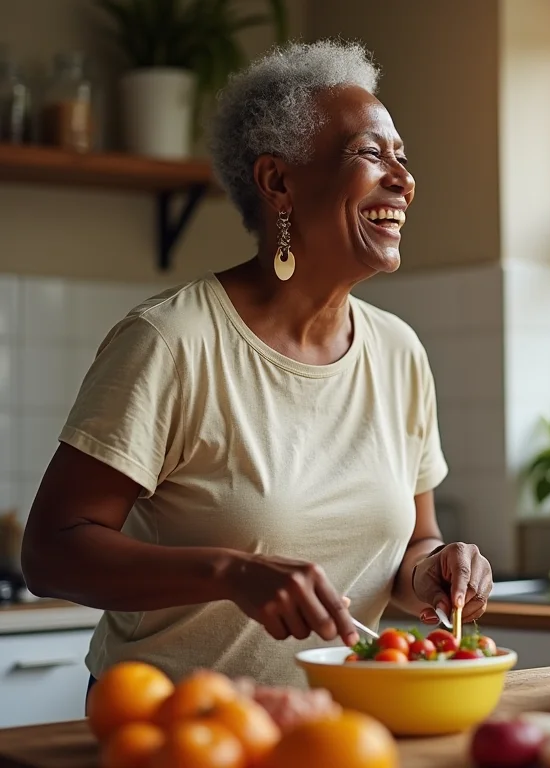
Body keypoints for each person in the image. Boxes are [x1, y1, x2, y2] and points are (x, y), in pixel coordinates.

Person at [20, 40, 494, 690]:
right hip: (177, 730)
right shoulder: (171, 340)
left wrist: (439, 569)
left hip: (332, 730)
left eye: (403, 158)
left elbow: (415, 548)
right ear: (278, 182)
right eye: (370, 153)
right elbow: (50, 550)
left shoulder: (400, 353)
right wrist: (229, 572)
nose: (403, 179)